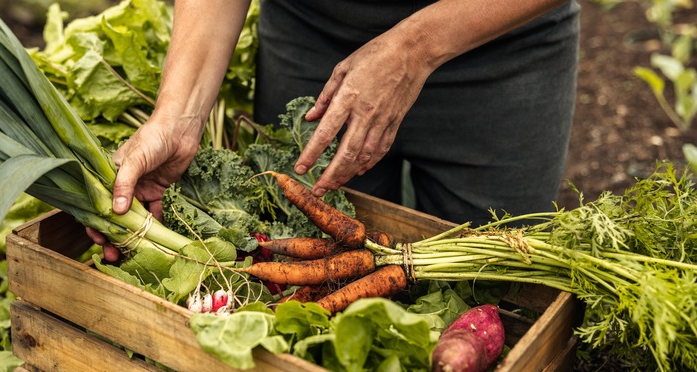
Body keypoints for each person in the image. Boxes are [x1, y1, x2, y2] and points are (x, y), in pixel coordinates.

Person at [88, 0, 581, 261]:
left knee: (495, 289)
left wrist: (413, 49)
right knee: (307, 263)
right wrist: (180, 116)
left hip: (500, 48)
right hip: (313, 40)